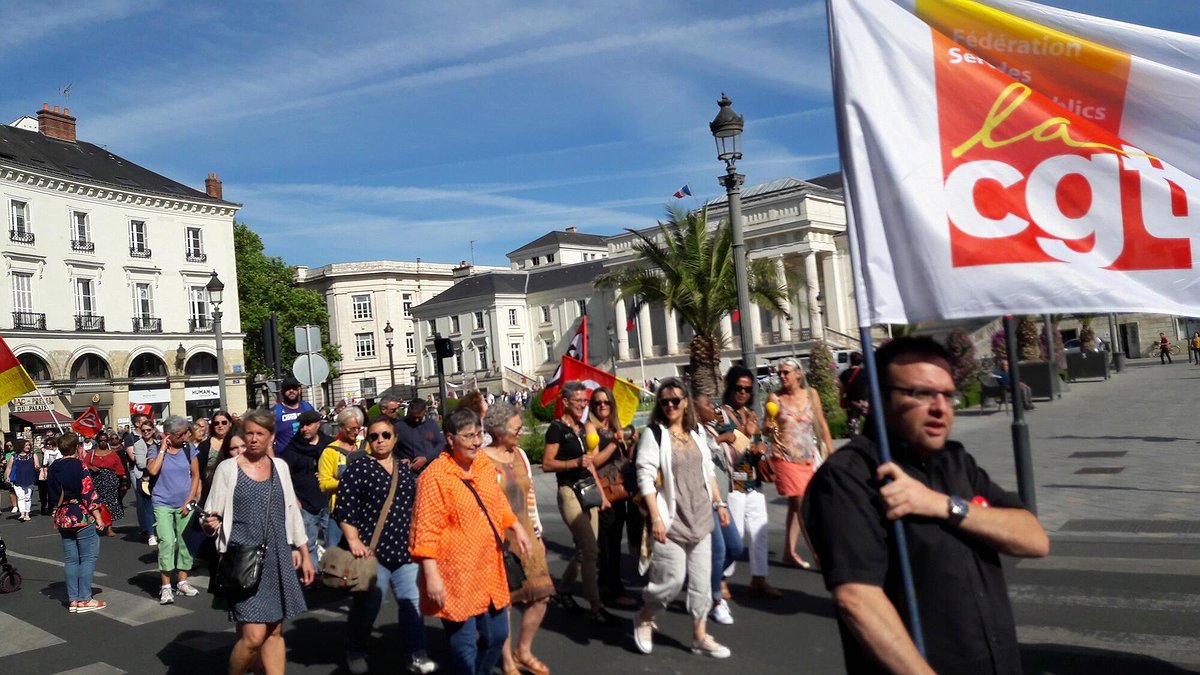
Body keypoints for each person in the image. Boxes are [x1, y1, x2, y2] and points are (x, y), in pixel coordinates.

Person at [802, 336, 1050, 674]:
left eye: (948, 395)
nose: (940, 408)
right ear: (880, 397)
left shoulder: (955, 462)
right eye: (921, 394)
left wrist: (943, 505)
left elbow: (1034, 540)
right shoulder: (848, 477)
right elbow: (857, 599)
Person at [411, 408, 532, 675]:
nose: (477, 442)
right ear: (450, 439)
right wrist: (431, 576)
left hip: (488, 568)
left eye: (479, 434)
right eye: (469, 436)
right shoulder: (434, 477)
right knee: (464, 644)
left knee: (497, 635)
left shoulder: (483, 465)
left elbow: (496, 501)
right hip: (454, 575)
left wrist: (515, 526)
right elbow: (425, 530)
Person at [202, 408, 314, 675]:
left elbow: (291, 511)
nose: (253, 439)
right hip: (243, 558)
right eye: (249, 433)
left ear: (271, 436)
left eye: (260, 434)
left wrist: (303, 551)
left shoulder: (280, 467)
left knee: (274, 630)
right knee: (253, 637)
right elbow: (209, 514)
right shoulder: (228, 469)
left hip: (277, 556)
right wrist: (209, 524)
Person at [632, 378, 730, 659]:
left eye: (676, 400)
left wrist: (719, 503)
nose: (671, 405)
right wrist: (656, 518)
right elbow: (645, 478)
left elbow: (708, 470)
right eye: (665, 401)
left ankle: (699, 636)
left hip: (701, 517)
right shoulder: (655, 434)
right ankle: (645, 616)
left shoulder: (695, 432)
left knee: (701, 582)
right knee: (671, 580)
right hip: (671, 519)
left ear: (686, 402)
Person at [335, 417, 437, 675]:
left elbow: (414, 505)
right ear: (368, 439)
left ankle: (416, 653)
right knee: (369, 605)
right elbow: (345, 508)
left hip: (404, 550)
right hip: (371, 552)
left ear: (394, 438)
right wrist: (353, 541)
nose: (380, 440)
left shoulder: (404, 469)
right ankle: (356, 648)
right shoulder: (359, 468)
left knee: (412, 603)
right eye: (374, 436)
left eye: (385, 435)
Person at [482, 403, 555, 675]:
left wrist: (537, 531)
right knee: (505, 604)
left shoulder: (520, 455)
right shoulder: (482, 460)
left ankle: (523, 650)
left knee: (542, 595)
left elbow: (530, 494)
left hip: (526, 534)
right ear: (498, 431)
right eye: (516, 428)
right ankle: (507, 661)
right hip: (499, 540)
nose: (520, 432)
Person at [541, 381, 617, 625]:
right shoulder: (556, 429)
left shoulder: (583, 428)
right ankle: (595, 606)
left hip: (589, 491)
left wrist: (602, 494)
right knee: (590, 549)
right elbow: (547, 463)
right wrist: (573, 463)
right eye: (579, 401)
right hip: (569, 492)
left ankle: (563, 589)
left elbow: (590, 464)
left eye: (585, 401)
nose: (584, 405)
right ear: (565, 402)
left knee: (587, 549)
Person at [765, 357, 833, 570]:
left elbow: (821, 423)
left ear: (798, 374)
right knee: (803, 505)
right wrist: (769, 428)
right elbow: (767, 427)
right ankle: (819, 555)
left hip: (809, 458)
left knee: (796, 506)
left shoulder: (811, 394)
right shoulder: (775, 398)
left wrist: (831, 453)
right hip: (786, 458)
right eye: (779, 373)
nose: (781, 376)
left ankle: (789, 552)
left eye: (786, 372)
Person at [718, 366, 779, 599]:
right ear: (730, 387)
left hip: (754, 481)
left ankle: (759, 578)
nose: (743, 392)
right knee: (735, 534)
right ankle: (722, 578)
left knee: (759, 531)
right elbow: (723, 440)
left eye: (747, 389)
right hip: (733, 482)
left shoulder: (751, 413)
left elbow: (757, 443)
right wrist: (749, 434)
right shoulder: (720, 413)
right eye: (738, 387)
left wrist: (761, 441)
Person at [694, 393, 745, 625]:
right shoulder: (695, 432)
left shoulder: (711, 428)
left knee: (735, 547)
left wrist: (742, 436)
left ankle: (707, 580)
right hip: (706, 501)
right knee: (720, 550)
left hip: (721, 499)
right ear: (696, 410)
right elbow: (704, 459)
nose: (713, 407)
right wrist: (722, 439)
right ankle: (715, 599)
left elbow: (735, 453)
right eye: (707, 405)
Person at [590, 385, 641, 609]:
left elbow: (625, 460)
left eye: (606, 402)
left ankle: (605, 586)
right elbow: (593, 462)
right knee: (608, 543)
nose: (602, 406)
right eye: (597, 403)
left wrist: (631, 443)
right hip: (604, 491)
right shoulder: (591, 428)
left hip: (620, 488)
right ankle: (613, 590)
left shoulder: (614, 426)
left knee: (613, 540)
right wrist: (613, 443)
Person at [47, 432, 107, 613]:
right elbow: (88, 492)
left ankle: (73, 599)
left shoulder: (53, 467)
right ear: (76, 448)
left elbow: (51, 494)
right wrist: (98, 516)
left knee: (71, 560)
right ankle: (85, 598)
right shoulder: (79, 465)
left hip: (63, 516)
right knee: (87, 557)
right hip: (81, 514)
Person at [147, 416, 202, 604]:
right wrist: (163, 448)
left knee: (185, 542)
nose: (185, 437)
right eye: (181, 434)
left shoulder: (189, 448)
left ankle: (182, 581)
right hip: (162, 502)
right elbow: (153, 471)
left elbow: (196, 475)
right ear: (169, 435)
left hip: (184, 502)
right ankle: (165, 586)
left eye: (185, 433)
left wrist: (190, 499)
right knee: (167, 542)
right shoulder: (155, 449)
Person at [280, 410, 334, 571]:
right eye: (302, 425)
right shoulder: (291, 450)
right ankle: (313, 575)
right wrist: (294, 499)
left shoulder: (330, 445)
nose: (304, 429)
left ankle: (334, 575)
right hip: (305, 504)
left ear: (318, 424)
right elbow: (284, 477)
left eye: (308, 425)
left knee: (334, 544)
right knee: (308, 544)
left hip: (328, 502)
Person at [317, 407, 365, 552]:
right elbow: (324, 484)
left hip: (363, 511)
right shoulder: (330, 452)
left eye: (358, 428)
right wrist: (347, 483)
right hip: (339, 512)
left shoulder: (365, 447)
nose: (355, 432)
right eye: (351, 429)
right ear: (341, 427)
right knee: (335, 554)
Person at [84, 437, 126, 535]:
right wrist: (91, 467)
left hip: (110, 480)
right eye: (101, 440)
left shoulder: (112, 454)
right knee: (97, 504)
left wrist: (124, 480)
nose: (103, 442)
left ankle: (109, 527)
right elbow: (84, 464)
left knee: (110, 504)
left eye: (105, 441)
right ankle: (99, 525)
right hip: (95, 480)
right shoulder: (91, 453)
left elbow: (119, 466)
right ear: (97, 442)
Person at [394, 399, 443, 472]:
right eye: (413, 417)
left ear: (425, 412)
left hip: (432, 468)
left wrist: (426, 458)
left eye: (419, 417)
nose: (416, 420)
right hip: (410, 470)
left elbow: (441, 444)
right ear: (409, 412)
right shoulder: (399, 426)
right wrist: (401, 459)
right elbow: (392, 448)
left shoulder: (431, 424)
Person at [130, 422, 159, 545]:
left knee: (159, 506)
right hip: (144, 478)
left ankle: (160, 532)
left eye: (148, 430)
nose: (146, 432)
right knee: (148, 507)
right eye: (143, 430)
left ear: (153, 430)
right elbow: (141, 463)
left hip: (158, 478)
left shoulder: (159, 443)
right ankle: (151, 534)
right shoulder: (138, 444)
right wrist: (155, 461)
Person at [274, 375, 315, 454]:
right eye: (288, 389)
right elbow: (268, 438)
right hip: (285, 456)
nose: (291, 391)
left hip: (306, 454)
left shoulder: (307, 407)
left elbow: (316, 429)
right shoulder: (276, 411)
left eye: (294, 388)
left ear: (299, 390)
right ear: (282, 392)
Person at [838, 352, 870, 435]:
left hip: (851, 402)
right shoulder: (866, 372)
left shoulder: (845, 373)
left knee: (853, 423)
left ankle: (855, 435)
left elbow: (842, 389)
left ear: (850, 360)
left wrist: (841, 399)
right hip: (865, 401)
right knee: (870, 421)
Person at [8, 440, 40, 521]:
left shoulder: (33, 455)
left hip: (29, 478)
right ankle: (22, 514)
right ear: (21, 446)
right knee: (20, 497)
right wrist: (7, 476)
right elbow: (9, 467)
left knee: (27, 497)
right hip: (18, 478)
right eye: (26, 445)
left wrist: (37, 467)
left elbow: (37, 465)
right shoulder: (14, 456)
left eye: (29, 445)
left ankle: (27, 514)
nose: (28, 447)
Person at [39, 438, 63, 516]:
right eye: (47, 444)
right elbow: (45, 463)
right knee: (51, 490)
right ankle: (52, 508)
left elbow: (60, 460)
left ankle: (59, 508)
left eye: (50, 444)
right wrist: (45, 473)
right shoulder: (47, 452)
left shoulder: (59, 451)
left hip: (59, 471)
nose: (49, 446)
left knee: (59, 490)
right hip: (50, 471)